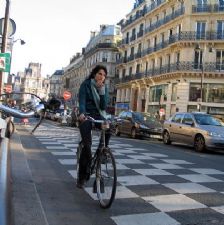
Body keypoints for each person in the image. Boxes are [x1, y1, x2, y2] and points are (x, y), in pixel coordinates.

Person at [77, 65, 110, 188]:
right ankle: (81, 178)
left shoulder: (104, 88)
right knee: (87, 146)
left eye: (104, 75)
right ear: (94, 74)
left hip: (98, 115)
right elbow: (82, 101)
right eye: (100, 74)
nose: (102, 77)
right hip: (86, 115)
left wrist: (102, 92)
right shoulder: (86, 85)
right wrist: (82, 113)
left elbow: (103, 107)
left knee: (108, 127)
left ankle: (103, 150)